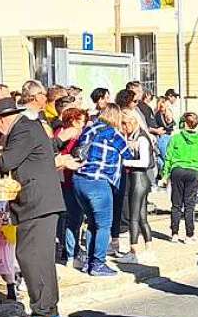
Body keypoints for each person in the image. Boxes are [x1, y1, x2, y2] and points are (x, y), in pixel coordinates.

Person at [0, 83, 69, 317]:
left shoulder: (21, 129)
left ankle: (44, 314)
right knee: (37, 258)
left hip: (38, 203)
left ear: (5, 118)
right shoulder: (30, 125)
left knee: (32, 258)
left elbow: (7, 162)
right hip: (41, 202)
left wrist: (0, 151)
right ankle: (46, 310)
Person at [72, 103, 129, 276]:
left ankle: (88, 262)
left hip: (79, 179)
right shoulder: (114, 134)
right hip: (99, 181)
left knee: (91, 222)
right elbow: (128, 155)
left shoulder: (90, 129)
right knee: (104, 225)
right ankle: (98, 264)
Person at [162, 112, 198, 244]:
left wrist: (165, 175)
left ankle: (174, 233)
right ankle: (189, 234)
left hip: (177, 170)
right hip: (193, 171)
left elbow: (168, 157)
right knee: (190, 204)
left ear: (184, 123)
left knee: (176, 204)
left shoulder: (176, 138)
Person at [120, 108, 155, 263]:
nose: (123, 128)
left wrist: (124, 162)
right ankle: (149, 248)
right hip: (138, 179)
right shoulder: (135, 137)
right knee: (141, 216)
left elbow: (144, 162)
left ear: (132, 122)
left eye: (125, 124)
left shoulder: (141, 139)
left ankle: (133, 251)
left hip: (139, 178)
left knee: (134, 217)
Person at [55, 107, 88, 265]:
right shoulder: (68, 136)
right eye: (79, 121)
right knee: (73, 218)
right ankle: (71, 254)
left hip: (67, 180)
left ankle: (69, 252)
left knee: (70, 219)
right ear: (71, 121)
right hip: (68, 181)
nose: (82, 124)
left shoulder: (62, 134)